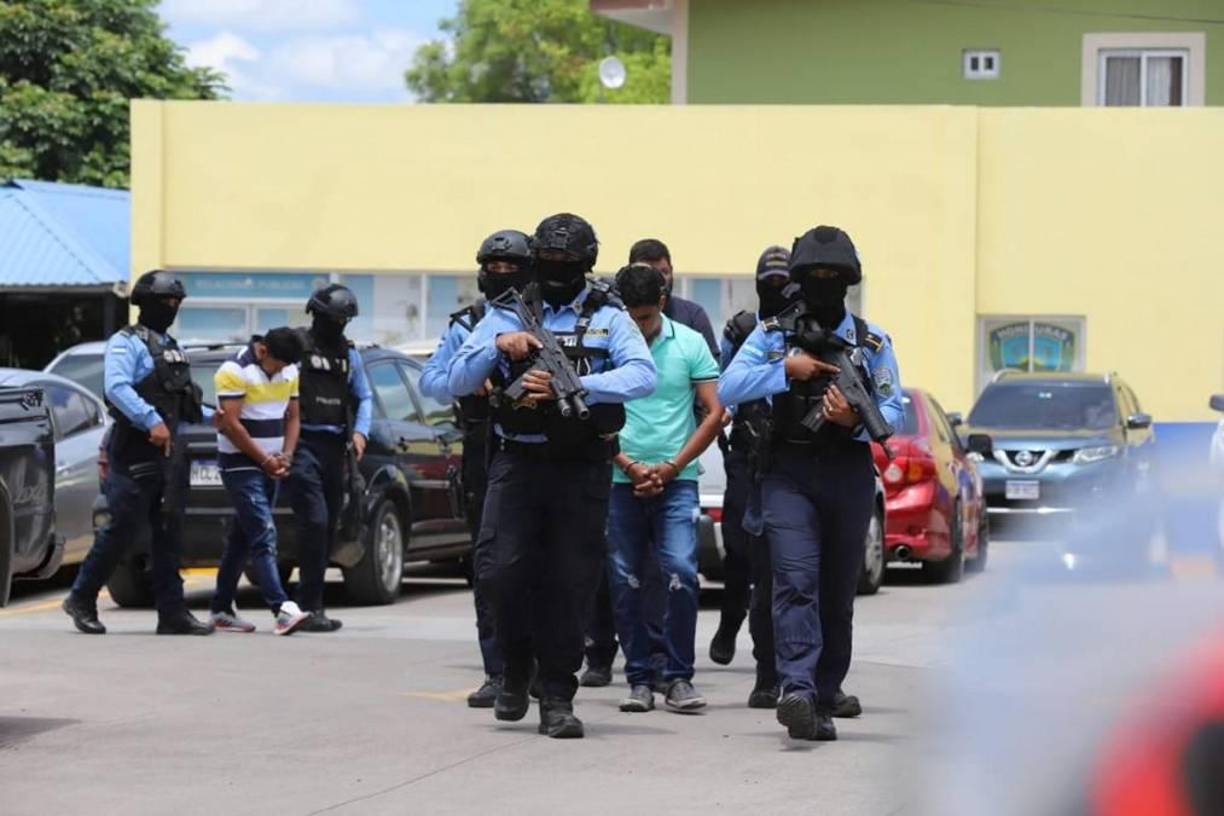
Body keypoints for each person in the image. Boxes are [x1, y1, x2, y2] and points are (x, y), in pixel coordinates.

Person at [448, 212, 655, 739]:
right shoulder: (508, 311)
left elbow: (641, 374)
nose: (558, 270)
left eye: (570, 262)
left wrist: (578, 387)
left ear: (587, 264)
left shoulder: (611, 316)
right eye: (549, 261)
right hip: (518, 460)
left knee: (570, 582)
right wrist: (499, 346)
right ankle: (516, 669)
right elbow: (455, 377)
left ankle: (558, 696)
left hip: (580, 467)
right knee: (499, 572)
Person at [718, 225, 903, 741]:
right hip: (787, 473)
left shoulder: (870, 342)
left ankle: (822, 697)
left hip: (846, 473)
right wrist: (786, 370)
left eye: (834, 277)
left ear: (848, 281)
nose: (824, 284)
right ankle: (795, 687)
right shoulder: (774, 333)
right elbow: (729, 387)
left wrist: (851, 418)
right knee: (794, 580)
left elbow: (892, 411)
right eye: (814, 276)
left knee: (836, 594)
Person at [580, 237, 719, 689]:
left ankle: (678, 676)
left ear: (662, 300)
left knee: (680, 571)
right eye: (631, 318)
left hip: (676, 481)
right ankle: (639, 676)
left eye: (646, 317)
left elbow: (715, 411)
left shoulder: (691, 342)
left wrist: (673, 466)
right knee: (624, 578)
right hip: (621, 479)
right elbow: (585, 410)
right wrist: (626, 461)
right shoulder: (604, 347)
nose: (638, 329)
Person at [62, 270, 212, 635]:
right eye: (165, 302)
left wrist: (212, 417)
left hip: (170, 453)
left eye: (177, 303)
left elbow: (181, 397)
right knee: (122, 531)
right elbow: (116, 387)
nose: (172, 308)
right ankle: (81, 598)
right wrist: (151, 421)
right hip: (134, 453)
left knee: (169, 534)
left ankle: (172, 613)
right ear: (145, 304)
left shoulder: (172, 346)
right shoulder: (125, 343)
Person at [420, 228, 533, 707]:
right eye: (494, 268)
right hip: (483, 447)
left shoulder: (548, 319)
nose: (502, 277)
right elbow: (432, 381)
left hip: (538, 446)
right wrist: (469, 379)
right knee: (489, 566)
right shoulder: (466, 324)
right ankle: (498, 670)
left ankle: (548, 665)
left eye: (512, 269)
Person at [715, 245, 796, 706]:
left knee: (781, 574)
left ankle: (781, 670)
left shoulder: (808, 329)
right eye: (768, 283)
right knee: (742, 555)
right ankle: (740, 638)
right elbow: (725, 387)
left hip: (792, 459)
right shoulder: (745, 331)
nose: (776, 290)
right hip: (748, 458)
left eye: (783, 282)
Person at [208, 328, 313, 636]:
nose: (281, 371)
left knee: (243, 539)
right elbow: (231, 424)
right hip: (241, 465)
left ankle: (221, 608)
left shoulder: (289, 367)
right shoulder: (234, 371)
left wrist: (286, 456)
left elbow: (292, 417)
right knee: (264, 533)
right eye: (277, 365)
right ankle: (281, 608)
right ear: (263, 351)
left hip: (273, 464)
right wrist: (263, 460)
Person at [288, 284, 373, 632]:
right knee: (316, 522)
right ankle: (304, 605)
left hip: (334, 450)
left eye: (344, 319)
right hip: (302, 446)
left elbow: (364, 396)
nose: (338, 324)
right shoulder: (296, 347)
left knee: (327, 529)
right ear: (316, 314)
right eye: (333, 318)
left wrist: (360, 432)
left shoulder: (348, 354)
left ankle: (311, 605)